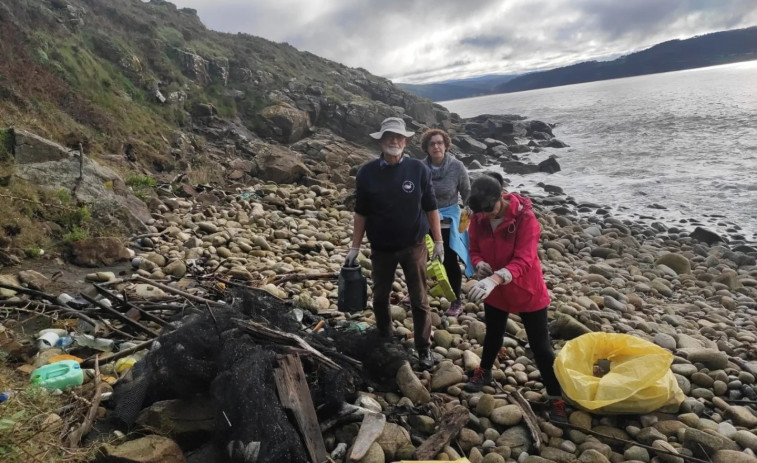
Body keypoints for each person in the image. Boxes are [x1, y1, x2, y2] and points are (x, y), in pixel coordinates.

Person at [463, 173, 566, 421]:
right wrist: (480, 265)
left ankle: (556, 397)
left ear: (501, 196)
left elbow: (525, 259)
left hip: (525, 288)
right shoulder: (478, 216)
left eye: (490, 209)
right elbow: (473, 249)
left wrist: (496, 278)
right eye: (482, 212)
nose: (486, 216)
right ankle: (484, 371)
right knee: (493, 333)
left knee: (541, 347)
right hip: (495, 289)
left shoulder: (525, 219)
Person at [345, 117, 444, 370]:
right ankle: (386, 337)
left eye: (399, 137)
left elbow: (431, 207)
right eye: (389, 136)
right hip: (381, 248)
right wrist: (355, 247)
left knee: (420, 299)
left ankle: (424, 348)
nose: (394, 141)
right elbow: (361, 213)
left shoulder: (419, 170)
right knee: (379, 298)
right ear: (380, 140)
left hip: (414, 245)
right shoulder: (366, 173)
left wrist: (439, 240)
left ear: (406, 141)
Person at [419, 128, 474, 317]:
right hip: (424, 219)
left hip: (449, 222)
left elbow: (467, 194)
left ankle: (456, 301)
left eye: (439, 143)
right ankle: (417, 294)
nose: (436, 146)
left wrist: (469, 212)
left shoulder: (457, 167)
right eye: (432, 144)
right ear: (426, 148)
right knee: (419, 260)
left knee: (450, 261)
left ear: (446, 145)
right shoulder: (419, 167)